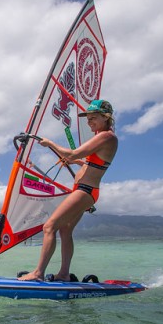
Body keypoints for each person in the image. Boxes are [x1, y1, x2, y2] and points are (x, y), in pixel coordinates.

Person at [18, 100, 117, 282]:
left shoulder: (107, 137)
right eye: (88, 118)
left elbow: (71, 153)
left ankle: (38, 273)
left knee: (49, 226)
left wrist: (50, 144)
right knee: (64, 230)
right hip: (85, 191)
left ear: (106, 117)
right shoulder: (103, 138)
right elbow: (91, 163)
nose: (89, 122)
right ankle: (64, 273)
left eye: (93, 118)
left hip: (85, 190)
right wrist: (75, 162)